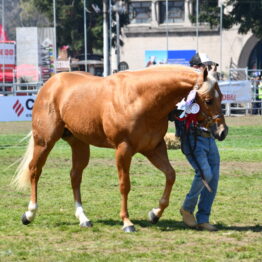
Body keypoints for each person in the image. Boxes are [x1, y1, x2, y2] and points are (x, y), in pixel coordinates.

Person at [176, 53, 221, 231]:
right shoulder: (184, 88)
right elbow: (178, 113)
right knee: (205, 175)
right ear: (197, 67)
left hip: (209, 137)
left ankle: (203, 218)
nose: (209, 69)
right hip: (192, 137)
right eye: (206, 66)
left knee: (214, 178)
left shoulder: (208, 86)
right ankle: (187, 208)